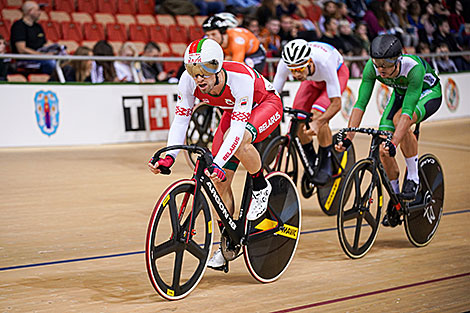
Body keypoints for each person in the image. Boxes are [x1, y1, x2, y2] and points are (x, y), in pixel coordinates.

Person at [148, 38, 282, 270]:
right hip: (232, 112)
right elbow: (181, 121)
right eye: (193, 71)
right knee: (219, 185)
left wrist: (217, 162)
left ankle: (261, 186)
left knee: (238, 142)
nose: (199, 78)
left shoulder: (240, 78)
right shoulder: (188, 82)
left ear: (218, 67)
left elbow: (238, 130)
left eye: (205, 71)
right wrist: (169, 156)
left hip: (265, 104)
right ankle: (228, 242)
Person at [335, 35, 442, 227]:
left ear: (398, 59)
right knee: (383, 148)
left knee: (399, 121)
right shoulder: (372, 67)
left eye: (385, 64)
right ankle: (396, 199)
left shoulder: (413, 68)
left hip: (428, 93)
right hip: (402, 93)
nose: (380, 68)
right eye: (377, 63)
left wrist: (395, 143)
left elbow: (407, 112)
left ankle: (414, 177)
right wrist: (349, 136)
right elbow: (360, 104)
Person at [272, 39, 349, 186]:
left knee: (318, 114)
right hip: (312, 80)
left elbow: (336, 104)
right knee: (298, 117)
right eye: (292, 70)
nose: (296, 75)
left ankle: (326, 162)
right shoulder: (286, 62)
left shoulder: (325, 63)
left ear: (310, 62)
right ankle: (312, 161)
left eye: (299, 69)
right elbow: (274, 93)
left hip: (336, 73)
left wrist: (318, 122)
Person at [202, 15, 266, 73]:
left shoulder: (237, 40)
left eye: (213, 34)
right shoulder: (220, 39)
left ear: (223, 33)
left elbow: (238, 65)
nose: (210, 38)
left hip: (256, 53)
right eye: (207, 35)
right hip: (237, 52)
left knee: (246, 69)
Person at [9, 1, 55, 75]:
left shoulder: (38, 27)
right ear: (30, 11)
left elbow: (44, 43)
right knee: (50, 63)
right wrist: (40, 55)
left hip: (40, 56)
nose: (40, 13)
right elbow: (22, 49)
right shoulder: (18, 26)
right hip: (26, 59)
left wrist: (56, 49)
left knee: (64, 61)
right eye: (37, 10)